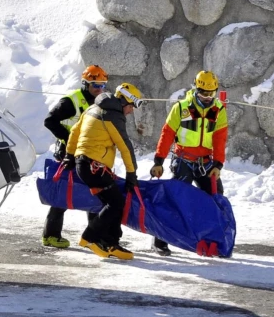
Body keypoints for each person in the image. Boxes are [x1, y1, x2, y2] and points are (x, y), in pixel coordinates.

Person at [150, 70, 228, 256]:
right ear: (195, 89)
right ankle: (159, 241)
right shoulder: (181, 107)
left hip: (206, 163)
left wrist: (218, 165)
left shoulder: (218, 110)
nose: (208, 98)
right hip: (184, 160)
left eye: (211, 93)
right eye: (203, 93)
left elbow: (220, 139)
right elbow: (167, 134)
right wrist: (158, 161)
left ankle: (210, 241)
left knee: (215, 199)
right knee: (174, 201)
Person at [63, 83, 144, 260]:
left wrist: (69, 155)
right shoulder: (113, 115)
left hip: (84, 163)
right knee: (115, 203)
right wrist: (132, 174)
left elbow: (75, 132)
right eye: (131, 107)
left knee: (114, 201)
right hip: (94, 166)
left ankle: (110, 242)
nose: (130, 112)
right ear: (124, 102)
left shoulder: (94, 107)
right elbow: (125, 147)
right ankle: (89, 237)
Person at [41, 65, 109, 248]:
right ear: (86, 84)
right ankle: (51, 235)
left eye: (102, 85)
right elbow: (49, 121)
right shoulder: (72, 101)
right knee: (64, 194)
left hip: (89, 154)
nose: (99, 89)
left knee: (94, 194)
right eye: (95, 85)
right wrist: (68, 138)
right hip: (69, 155)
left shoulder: (100, 102)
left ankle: (93, 236)